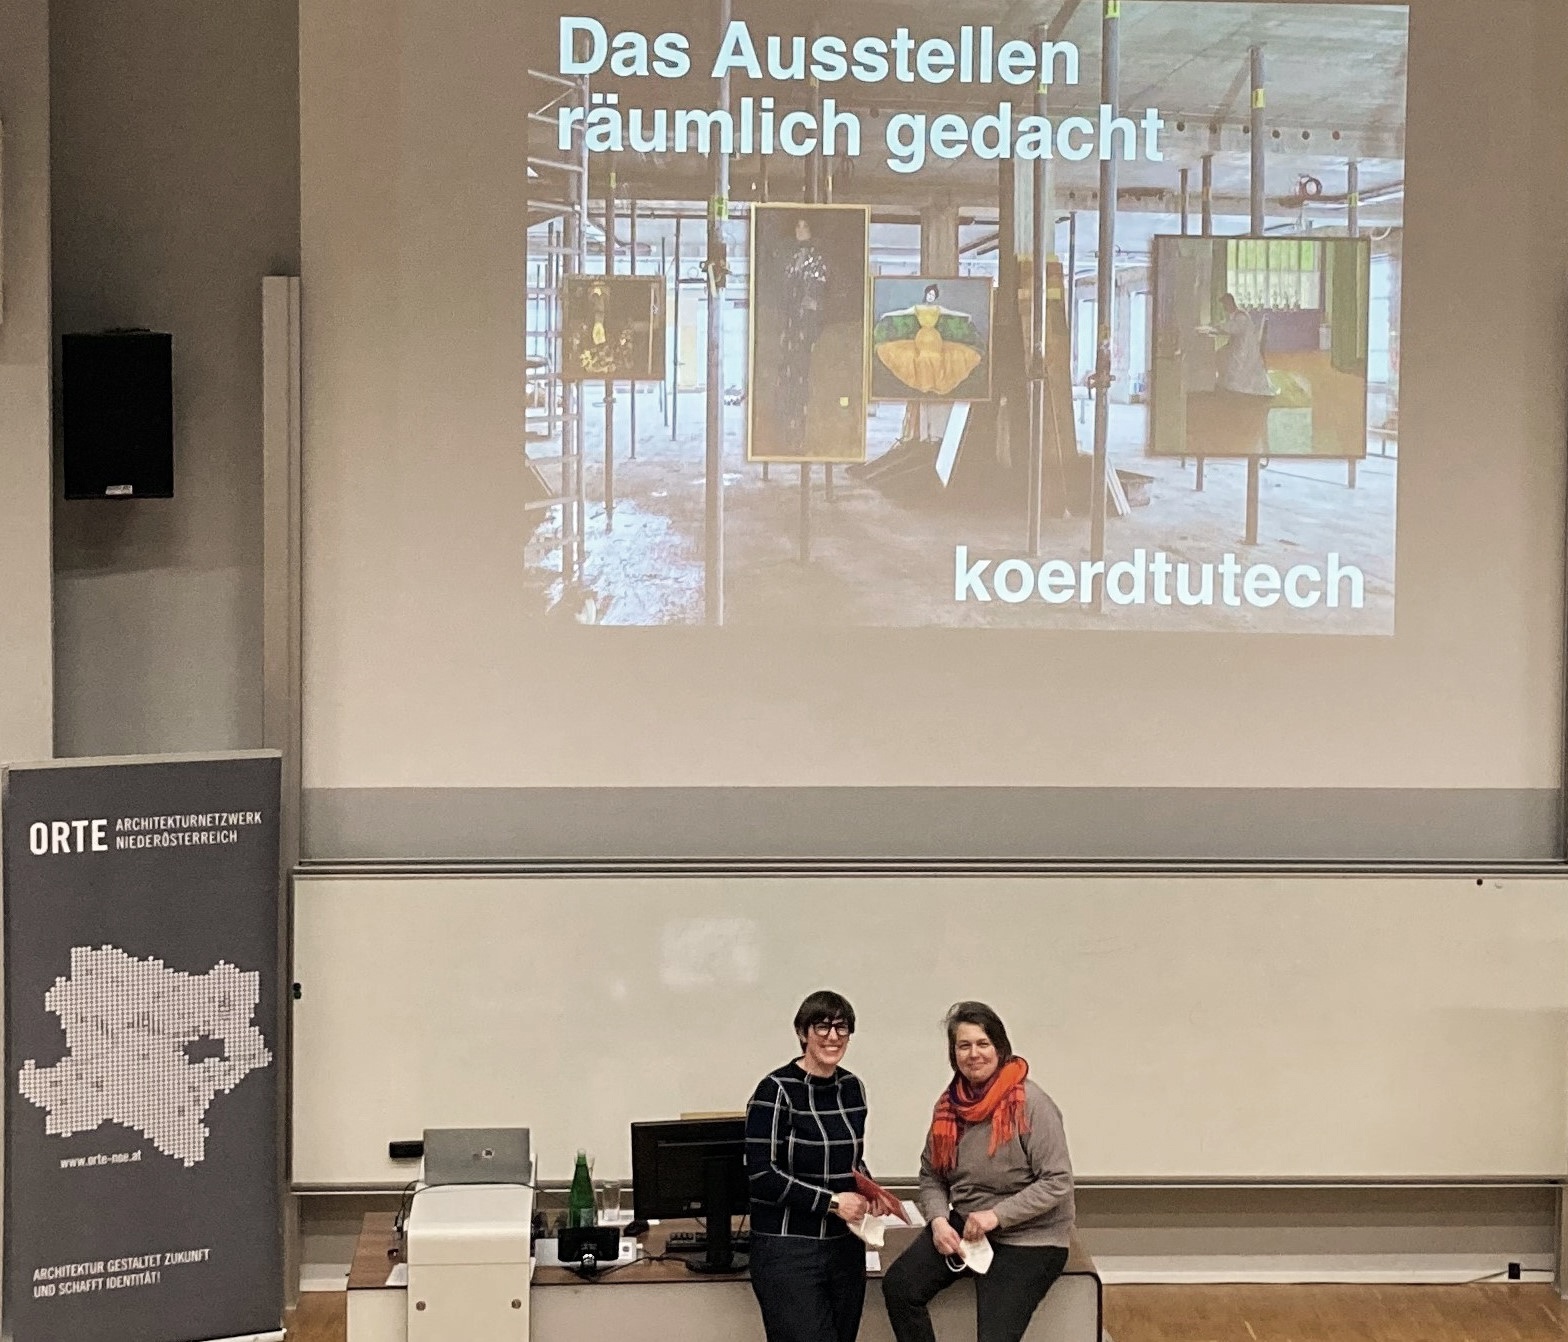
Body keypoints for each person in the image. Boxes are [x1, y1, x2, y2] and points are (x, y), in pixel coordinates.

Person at [882, 1002, 1075, 1342]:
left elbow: (1057, 1181)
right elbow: (932, 1175)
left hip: (1030, 1237)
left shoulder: (1031, 1103)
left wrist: (996, 1216)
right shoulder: (948, 1107)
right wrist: (938, 1221)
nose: (974, 1054)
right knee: (900, 1287)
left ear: (1000, 1048)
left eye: (983, 1044)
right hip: (966, 1226)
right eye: (964, 1045)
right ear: (953, 1054)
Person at [746, 990, 901, 1342]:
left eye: (842, 1027)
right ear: (802, 1033)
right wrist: (833, 1202)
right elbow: (762, 1174)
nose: (833, 1036)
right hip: (788, 1249)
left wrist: (869, 1189)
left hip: (844, 1246)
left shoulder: (853, 1088)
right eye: (822, 1027)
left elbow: (851, 1159)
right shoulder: (775, 1090)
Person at [770, 215, 829, 455]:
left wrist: (812, 306)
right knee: (787, 376)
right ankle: (787, 435)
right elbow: (784, 291)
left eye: (805, 226)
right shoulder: (792, 258)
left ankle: (801, 436)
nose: (800, 230)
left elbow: (820, 292)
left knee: (803, 377)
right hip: (791, 324)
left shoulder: (817, 259)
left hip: (807, 324)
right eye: (797, 225)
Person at [1204, 293, 1275, 398]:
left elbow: (1233, 329)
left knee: (1221, 354)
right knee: (1220, 353)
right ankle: (1221, 380)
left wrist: (1217, 327)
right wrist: (1218, 326)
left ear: (1230, 304)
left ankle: (1226, 382)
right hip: (1240, 344)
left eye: (1225, 305)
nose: (1224, 308)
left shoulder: (1241, 316)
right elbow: (1230, 325)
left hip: (1244, 349)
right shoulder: (1237, 314)